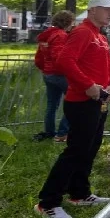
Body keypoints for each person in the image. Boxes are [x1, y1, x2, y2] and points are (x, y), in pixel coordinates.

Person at [35, 0, 110, 218]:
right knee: (76, 151)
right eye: (106, 9)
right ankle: (47, 202)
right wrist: (88, 85)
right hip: (81, 102)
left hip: (98, 101)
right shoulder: (83, 32)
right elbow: (64, 60)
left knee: (89, 149)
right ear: (92, 10)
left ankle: (79, 193)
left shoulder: (99, 35)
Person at [33, 10, 75, 142]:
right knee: (74, 102)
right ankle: (62, 132)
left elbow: (39, 57)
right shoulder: (61, 35)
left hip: (48, 74)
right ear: (67, 22)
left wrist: (44, 69)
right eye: (72, 22)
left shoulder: (47, 35)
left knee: (51, 105)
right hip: (59, 74)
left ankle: (49, 132)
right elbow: (59, 57)